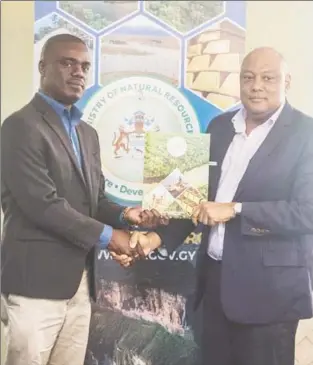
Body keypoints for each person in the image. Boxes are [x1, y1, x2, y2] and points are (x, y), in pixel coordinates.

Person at [114, 47, 313, 365]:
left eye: (267, 78)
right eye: (248, 77)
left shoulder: (306, 133)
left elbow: (307, 211)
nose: (256, 86)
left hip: (269, 295)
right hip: (216, 286)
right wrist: (154, 239)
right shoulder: (220, 127)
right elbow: (195, 199)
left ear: (286, 81)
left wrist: (236, 209)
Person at [0, 33, 166, 365]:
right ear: (42, 67)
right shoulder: (20, 126)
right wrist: (111, 238)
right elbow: (42, 204)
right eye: (67, 63)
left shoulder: (86, 133)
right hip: (35, 285)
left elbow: (95, 200)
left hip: (80, 283)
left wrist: (127, 216)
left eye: (85, 66)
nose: (78, 72)